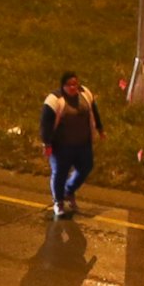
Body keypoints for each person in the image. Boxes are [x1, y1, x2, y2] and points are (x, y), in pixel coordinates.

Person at [39, 71, 102, 217]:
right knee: (60, 173)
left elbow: (94, 110)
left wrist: (100, 128)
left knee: (86, 167)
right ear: (63, 86)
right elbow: (45, 124)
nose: (73, 87)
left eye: (75, 84)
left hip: (83, 144)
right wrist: (47, 143)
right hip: (61, 146)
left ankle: (69, 190)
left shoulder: (85, 94)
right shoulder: (54, 100)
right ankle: (58, 202)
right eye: (69, 85)